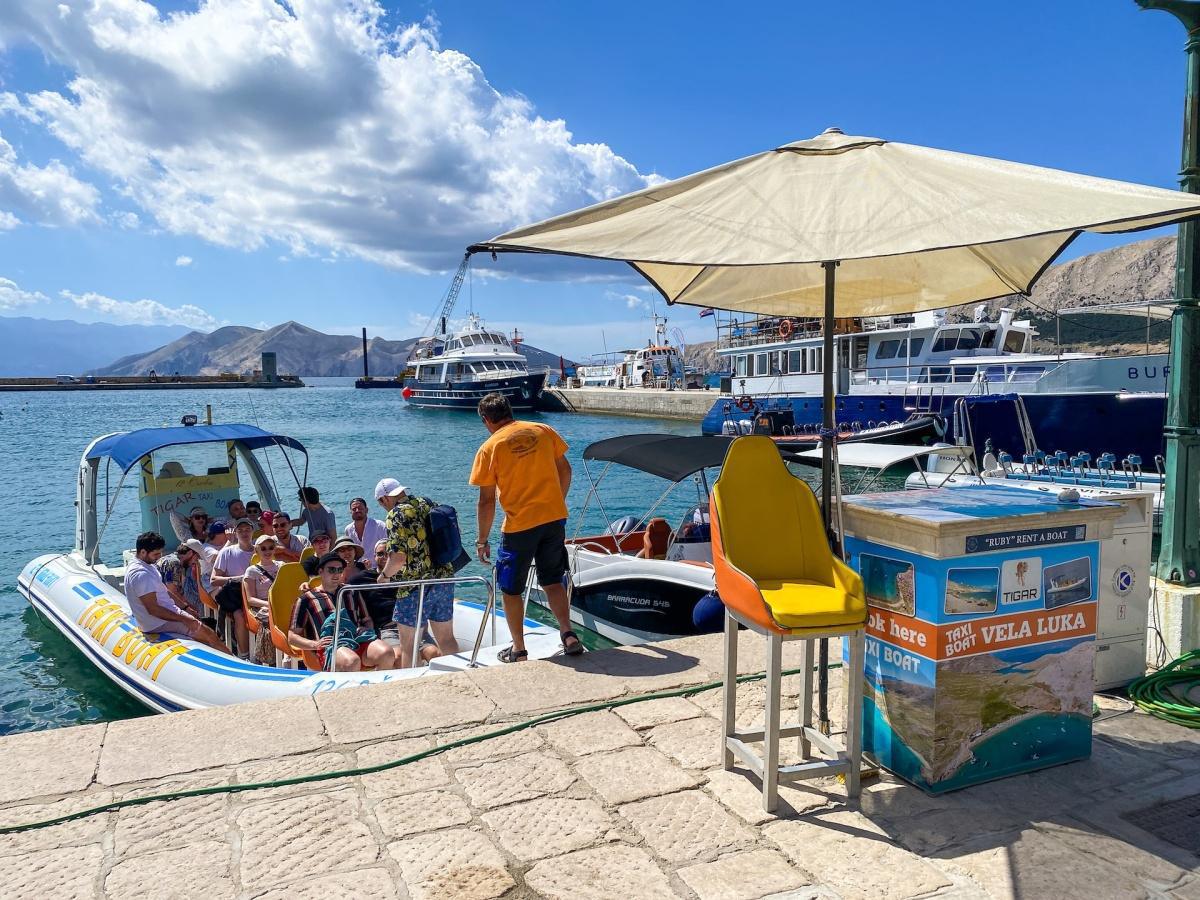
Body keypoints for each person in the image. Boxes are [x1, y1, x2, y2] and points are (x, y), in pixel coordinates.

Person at [469, 392, 580, 661]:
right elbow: (566, 470)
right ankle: (568, 634)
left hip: (519, 527)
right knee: (552, 580)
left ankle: (518, 649)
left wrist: (482, 540)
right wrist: (556, 502)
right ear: (509, 410)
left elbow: (486, 501)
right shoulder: (543, 430)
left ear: (486, 420)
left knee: (511, 589)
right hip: (553, 519)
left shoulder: (489, 448)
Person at [375, 478, 457, 666]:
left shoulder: (395, 515)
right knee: (446, 638)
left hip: (414, 586)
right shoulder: (427, 503)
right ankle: (461, 674)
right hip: (443, 579)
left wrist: (384, 577)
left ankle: (413, 682)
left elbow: (398, 558)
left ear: (384, 499)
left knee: (409, 646)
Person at [289, 552, 393, 672]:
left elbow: (367, 619)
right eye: (331, 570)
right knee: (351, 661)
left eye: (339, 570)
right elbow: (292, 636)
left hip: (357, 638)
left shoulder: (351, 592)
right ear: (320, 571)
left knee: (387, 653)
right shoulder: (306, 599)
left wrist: (367, 628)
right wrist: (315, 644)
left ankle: (376, 684)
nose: (336, 574)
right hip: (331, 646)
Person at [125, 532, 226, 651]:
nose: (159, 556)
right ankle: (230, 659)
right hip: (158, 623)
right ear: (143, 552)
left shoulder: (144, 565)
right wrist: (185, 619)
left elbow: (164, 590)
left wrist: (185, 608)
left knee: (202, 628)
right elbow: (153, 609)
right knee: (209, 635)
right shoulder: (141, 574)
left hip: (160, 618)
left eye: (160, 553)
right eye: (156, 554)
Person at [211, 518, 256, 660]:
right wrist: (238, 579)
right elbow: (214, 580)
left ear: (253, 531)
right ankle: (245, 655)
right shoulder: (226, 552)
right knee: (239, 615)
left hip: (258, 594)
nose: (244, 533)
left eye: (247, 530)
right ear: (235, 533)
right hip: (236, 596)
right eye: (240, 530)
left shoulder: (261, 550)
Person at [243, 534, 281, 664]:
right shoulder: (251, 571)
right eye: (263, 548)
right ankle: (269, 659)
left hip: (280, 602)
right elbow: (250, 599)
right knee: (270, 619)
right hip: (261, 605)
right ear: (257, 550)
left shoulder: (281, 566)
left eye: (271, 547)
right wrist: (269, 604)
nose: (267, 551)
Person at [157, 540, 204, 619]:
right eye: (197, 557)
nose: (196, 561)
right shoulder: (175, 563)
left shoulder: (171, 559)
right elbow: (172, 591)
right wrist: (189, 608)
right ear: (190, 553)